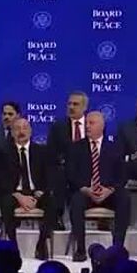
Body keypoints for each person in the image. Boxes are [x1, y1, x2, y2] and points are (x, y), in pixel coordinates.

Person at [66, 111, 131, 261]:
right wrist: (85, 189)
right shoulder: (75, 147)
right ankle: (80, 249)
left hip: (108, 193)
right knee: (76, 201)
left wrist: (110, 189)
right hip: (86, 192)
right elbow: (70, 173)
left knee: (124, 198)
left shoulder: (115, 147)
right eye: (87, 123)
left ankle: (117, 248)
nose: (87, 126)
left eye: (91, 123)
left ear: (102, 126)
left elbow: (122, 174)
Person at [0, 116, 54, 259]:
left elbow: (50, 176)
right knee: (6, 202)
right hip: (14, 193)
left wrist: (40, 192)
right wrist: (18, 196)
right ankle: (13, 245)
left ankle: (41, 243)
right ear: (12, 132)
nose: (21, 132)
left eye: (25, 128)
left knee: (52, 202)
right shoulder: (3, 152)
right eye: (17, 129)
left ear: (31, 131)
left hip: (36, 192)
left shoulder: (42, 151)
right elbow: (0, 180)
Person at [47, 91, 90, 228]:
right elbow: (51, 152)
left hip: (88, 168)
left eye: (75, 104)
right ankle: (58, 216)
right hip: (65, 168)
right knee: (59, 175)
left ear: (84, 107)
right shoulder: (58, 127)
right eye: (69, 104)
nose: (71, 107)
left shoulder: (92, 124)